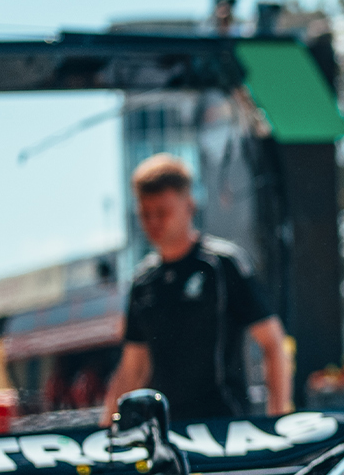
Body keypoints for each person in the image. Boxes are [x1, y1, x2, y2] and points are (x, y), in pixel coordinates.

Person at [102, 153, 292, 426]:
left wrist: (277, 424)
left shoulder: (223, 265)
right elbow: (132, 368)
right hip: (166, 432)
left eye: (162, 212)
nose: (153, 222)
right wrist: (105, 431)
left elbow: (273, 343)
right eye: (145, 214)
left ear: (189, 206)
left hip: (226, 429)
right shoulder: (143, 282)